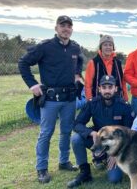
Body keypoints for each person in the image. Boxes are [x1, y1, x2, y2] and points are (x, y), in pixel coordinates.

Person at [18, 15, 83, 184]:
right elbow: (23, 63)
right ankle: (42, 168)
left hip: (70, 99)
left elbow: (79, 63)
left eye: (69, 26)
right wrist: (32, 84)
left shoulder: (75, 48)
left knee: (67, 131)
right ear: (56, 28)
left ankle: (64, 162)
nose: (66, 28)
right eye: (62, 25)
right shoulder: (45, 47)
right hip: (50, 99)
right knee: (46, 133)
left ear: (72, 29)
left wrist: (77, 75)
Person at [67, 75, 134, 188]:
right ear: (99, 89)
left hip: (117, 146)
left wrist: (115, 152)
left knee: (114, 179)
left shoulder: (124, 106)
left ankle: (112, 160)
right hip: (98, 140)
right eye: (104, 87)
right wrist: (91, 133)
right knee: (76, 138)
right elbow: (77, 124)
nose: (107, 90)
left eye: (110, 87)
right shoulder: (92, 103)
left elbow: (129, 133)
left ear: (115, 88)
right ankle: (85, 173)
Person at [84, 34, 128, 101]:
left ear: (113, 47)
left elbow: (122, 83)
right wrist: (90, 101)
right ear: (100, 47)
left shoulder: (118, 63)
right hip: (98, 101)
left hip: (117, 100)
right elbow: (88, 85)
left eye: (110, 45)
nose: (108, 47)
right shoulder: (93, 62)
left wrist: (125, 99)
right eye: (105, 45)